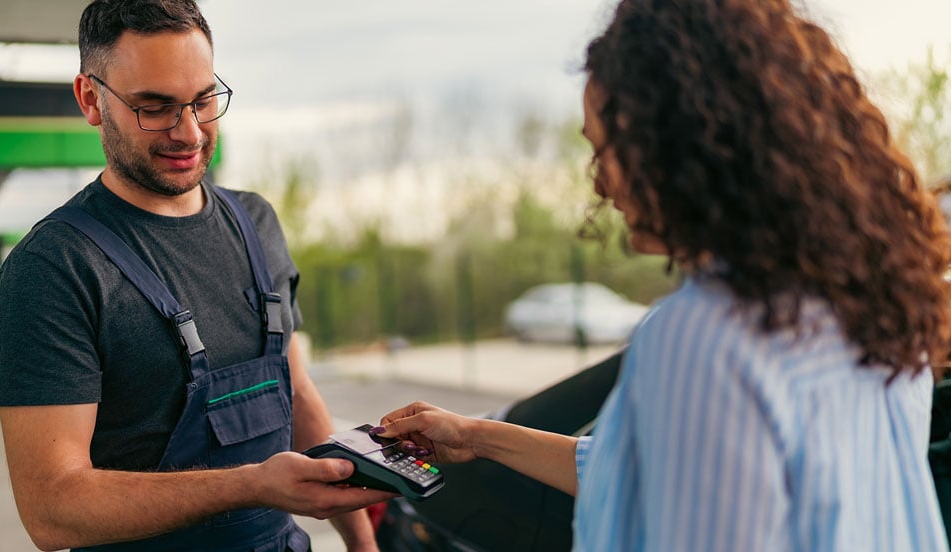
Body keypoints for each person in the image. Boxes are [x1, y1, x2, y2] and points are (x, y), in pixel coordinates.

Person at [374, 0, 951, 550]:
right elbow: (656, 468)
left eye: (610, 151)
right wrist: (477, 436)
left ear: (687, 141)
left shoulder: (703, 334)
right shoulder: (875, 299)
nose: (601, 185)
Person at [0, 1, 390, 551]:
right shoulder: (54, 269)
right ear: (90, 99)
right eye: (154, 107)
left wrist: (362, 544)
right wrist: (254, 485)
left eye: (203, 101)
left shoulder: (256, 222)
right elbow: (53, 511)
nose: (189, 132)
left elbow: (295, 391)